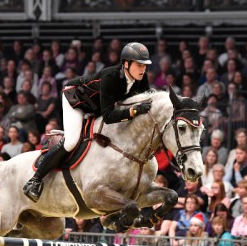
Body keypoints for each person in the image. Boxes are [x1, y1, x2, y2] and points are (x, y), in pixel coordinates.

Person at [23, 42, 152, 202]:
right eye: (139, 65)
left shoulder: (141, 78)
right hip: (76, 99)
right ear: (126, 64)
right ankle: (35, 180)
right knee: (72, 141)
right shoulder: (110, 77)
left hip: (96, 105)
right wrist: (133, 111)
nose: (143, 69)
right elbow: (109, 116)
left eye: (145, 65)